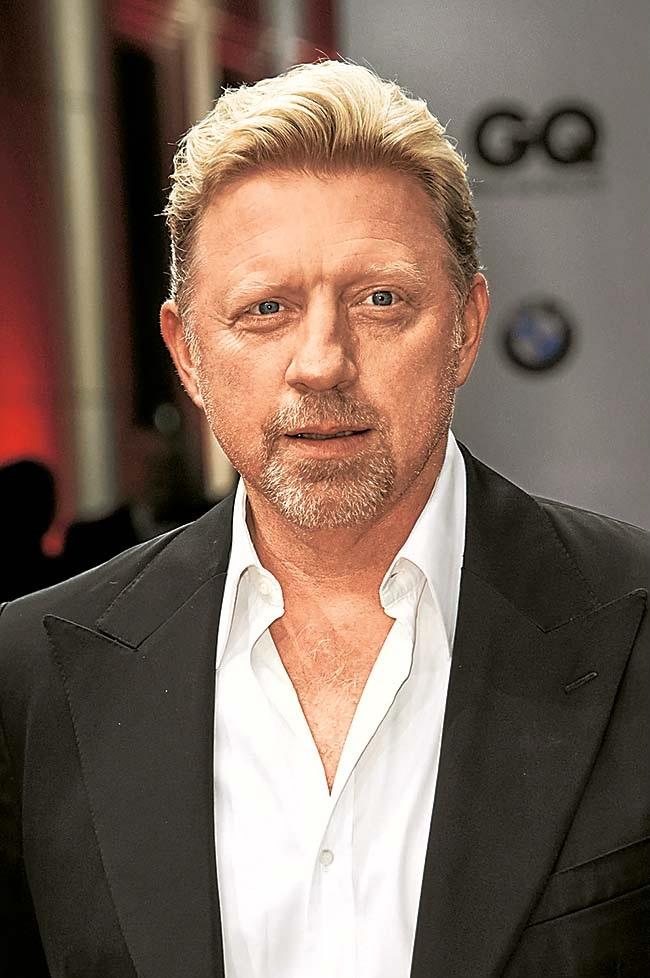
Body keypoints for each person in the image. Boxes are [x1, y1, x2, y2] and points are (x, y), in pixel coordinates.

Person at [1, 60, 648, 978]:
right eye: (265, 309)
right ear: (188, 354)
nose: (321, 362)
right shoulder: (32, 678)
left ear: (466, 326)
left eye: (380, 300)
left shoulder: (636, 624)